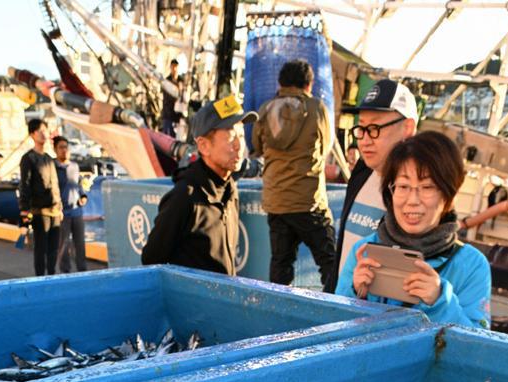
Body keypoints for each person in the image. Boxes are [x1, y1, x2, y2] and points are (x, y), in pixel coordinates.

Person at [335, 131, 491, 329]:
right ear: (390, 192)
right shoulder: (364, 250)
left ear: (448, 196)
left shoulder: (471, 264)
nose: (412, 200)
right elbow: (335, 326)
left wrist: (439, 300)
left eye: (427, 187)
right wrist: (354, 292)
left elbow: (478, 347)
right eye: (403, 186)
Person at [141, 95, 256, 275]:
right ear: (203, 146)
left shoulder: (229, 188)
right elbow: (151, 259)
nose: (239, 145)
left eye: (241, 135)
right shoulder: (184, 197)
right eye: (231, 136)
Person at [251, 59, 335, 290]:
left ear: (280, 83)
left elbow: (257, 148)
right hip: (308, 202)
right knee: (330, 263)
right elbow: (326, 146)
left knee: (280, 263)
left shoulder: (266, 109)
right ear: (309, 84)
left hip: (276, 202)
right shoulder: (316, 108)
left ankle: (278, 312)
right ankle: (333, 314)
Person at [330, 78, 418, 290]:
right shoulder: (362, 171)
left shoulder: (418, 196)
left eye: (375, 128)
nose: (365, 140)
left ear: (407, 128)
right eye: (361, 128)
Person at [19, 119, 63, 277]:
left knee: (53, 249)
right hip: (40, 211)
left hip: (54, 211)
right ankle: (40, 278)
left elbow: (55, 184)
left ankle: (52, 276)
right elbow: (24, 184)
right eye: (40, 131)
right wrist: (24, 210)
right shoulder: (28, 159)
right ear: (32, 134)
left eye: (45, 130)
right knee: (41, 248)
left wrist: (60, 206)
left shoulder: (49, 159)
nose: (44, 133)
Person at [53, 135, 88, 273]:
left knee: (80, 244)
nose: (64, 150)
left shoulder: (74, 166)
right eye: (61, 147)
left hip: (77, 212)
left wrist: (83, 196)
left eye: (66, 147)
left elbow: (78, 184)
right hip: (62, 214)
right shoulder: (52, 167)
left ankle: (83, 271)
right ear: (55, 149)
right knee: (63, 245)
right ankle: (65, 273)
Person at [161, 59, 181, 137]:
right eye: (173, 67)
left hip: (177, 115)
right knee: (166, 136)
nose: (174, 69)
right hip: (168, 114)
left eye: (176, 67)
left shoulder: (181, 80)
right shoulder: (167, 81)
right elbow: (167, 97)